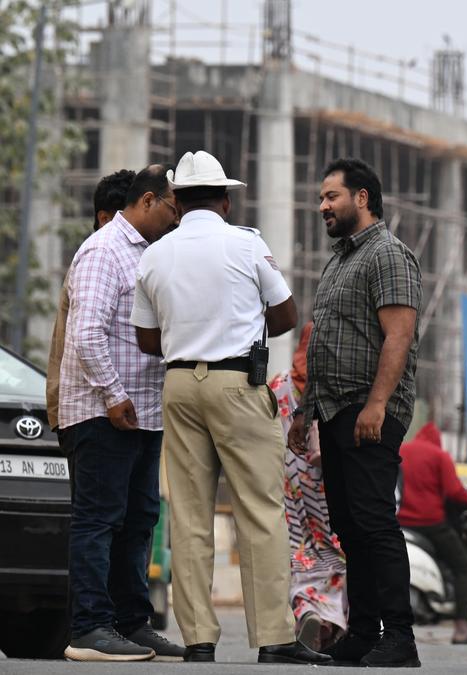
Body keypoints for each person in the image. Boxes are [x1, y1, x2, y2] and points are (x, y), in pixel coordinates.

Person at [130, 150, 328, 666]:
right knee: (259, 510)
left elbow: (146, 339)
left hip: (179, 384)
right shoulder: (246, 243)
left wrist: (188, 334)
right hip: (238, 383)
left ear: (176, 203)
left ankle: (198, 639)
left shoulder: (154, 255)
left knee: (189, 515)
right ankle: (274, 637)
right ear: (225, 200)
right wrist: (238, 321)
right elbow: (286, 315)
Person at [286, 157, 422, 668]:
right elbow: (321, 343)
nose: (322, 206)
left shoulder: (388, 254)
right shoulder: (340, 261)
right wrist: (304, 413)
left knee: (374, 520)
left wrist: (378, 404)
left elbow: (399, 336)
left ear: (361, 198)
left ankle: (400, 637)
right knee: (350, 525)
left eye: (331, 196)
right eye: (321, 198)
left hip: (370, 410)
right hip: (333, 411)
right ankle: (364, 633)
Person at [58, 165, 185, 661]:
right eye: (173, 207)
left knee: (139, 520)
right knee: (99, 520)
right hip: (102, 412)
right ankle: (89, 628)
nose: (177, 217)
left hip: (143, 413)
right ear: (148, 201)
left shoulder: (148, 252)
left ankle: (133, 624)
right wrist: (112, 395)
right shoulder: (104, 251)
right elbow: (86, 334)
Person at [47, 169, 138, 455]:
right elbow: (86, 336)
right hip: (92, 412)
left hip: (113, 413)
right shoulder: (99, 255)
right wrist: (114, 395)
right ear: (106, 218)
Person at [271, 322, 349, 650]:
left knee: (295, 553)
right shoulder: (337, 389)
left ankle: (306, 613)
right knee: (336, 554)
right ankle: (329, 622)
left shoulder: (277, 386)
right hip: (327, 489)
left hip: (287, 489)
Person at [397, 421, 467, 644]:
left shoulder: (402, 450)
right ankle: (462, 628)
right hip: (431, 523)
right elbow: (454, 491)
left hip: (400, 523)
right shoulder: (439, 455)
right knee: (465, 568)